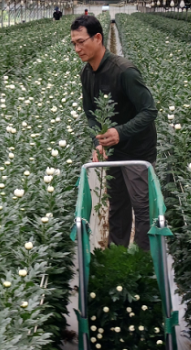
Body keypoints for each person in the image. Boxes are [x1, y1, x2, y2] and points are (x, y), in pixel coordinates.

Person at [70, 15, 157, 252]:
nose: (77, 49)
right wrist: (97, 142)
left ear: (98, 38)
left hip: (138, 152)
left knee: (142, 206)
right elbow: (90, 114)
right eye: (74, 44)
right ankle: (117, 258)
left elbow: (149, 110)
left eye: (81, 42)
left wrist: (121, 132)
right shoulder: (86, 74)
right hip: (114, 151)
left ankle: (143, 262)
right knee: (117, 204)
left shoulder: (124, 71)